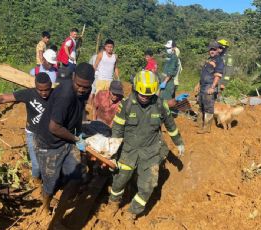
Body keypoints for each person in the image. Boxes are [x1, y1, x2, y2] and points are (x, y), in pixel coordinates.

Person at [108, 70, 185, 220]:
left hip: (151, 151)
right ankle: (113, 202)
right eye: (141, 94)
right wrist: (112, 151)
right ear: (135, 88)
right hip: (128, 150)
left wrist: (179, 143)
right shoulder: (126, 104)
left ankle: (132, 212)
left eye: (147, 95)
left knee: (148, 184)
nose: (144, 98)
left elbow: (171, 125)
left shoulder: (160, 104)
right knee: (120, 179)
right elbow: (117, 129)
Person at [0, 73, 53, 184]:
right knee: (36, 165)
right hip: (32, 133)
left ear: (51, 85)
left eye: (46, 90)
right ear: (35, 86)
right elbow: (3, 98)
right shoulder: (28, 94)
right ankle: (36, 181)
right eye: (40, 90)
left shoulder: (57, 95)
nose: (43, 93)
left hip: (50, 134)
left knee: (51, 162)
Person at [34, 63, 95, 215]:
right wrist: (76, 139)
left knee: (76, 176)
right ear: (73, 77)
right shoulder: (65, 94)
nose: (81, 90)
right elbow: (54, 127)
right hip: (49, 144)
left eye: (86, 87)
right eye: (79, 85)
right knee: (50, 182)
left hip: (66, 140)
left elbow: (79, 110)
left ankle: (60, 209)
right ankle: (45, 208)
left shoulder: (85, 91)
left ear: (92, 83)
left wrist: (79, 132)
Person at [194, 41, 224, 134]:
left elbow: (218, 75)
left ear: (218, 50)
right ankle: (200, 124)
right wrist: (198, 84)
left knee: (208, 107)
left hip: (209, 87)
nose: (212, 51)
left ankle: (206, 128)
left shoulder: (219, 61)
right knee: (201, 106)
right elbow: (203, 74)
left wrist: (212, 87)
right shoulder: (208, 60)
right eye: (210, 49)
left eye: (214, 49)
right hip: (203, 86)